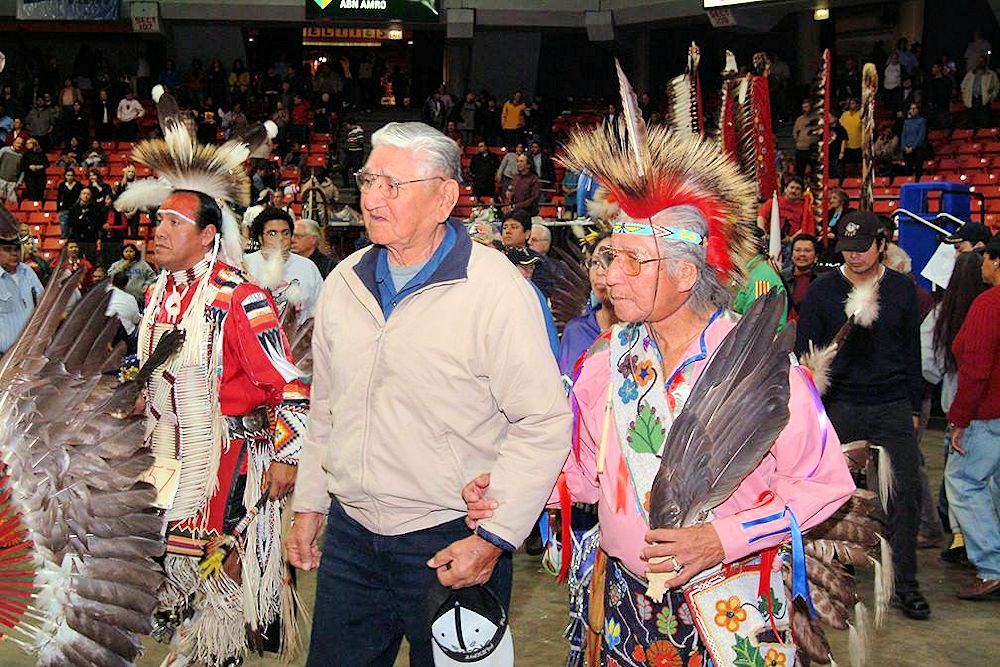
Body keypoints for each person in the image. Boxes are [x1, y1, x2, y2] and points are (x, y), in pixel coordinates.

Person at [470, 120, 853, 666]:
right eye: (608, 258)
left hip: (729, 612)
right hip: (622, 609)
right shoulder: (605, 363)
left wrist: (723, 538)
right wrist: (508, 484)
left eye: (633, 261)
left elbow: (826, 485)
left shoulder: (758, 369)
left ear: (686, 274)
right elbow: (581, 477)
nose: (609, 279)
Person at [286, 121, 570, 666]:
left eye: (393, 185)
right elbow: (327, 408)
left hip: (450, 537)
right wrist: (310, 505)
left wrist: (494, 538)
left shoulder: (496, 291)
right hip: (352, 535)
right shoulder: (345, 282)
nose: (371, 198)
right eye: (369, 181)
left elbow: (543, 421)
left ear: (444, 197)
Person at [112, 105, 310, 665]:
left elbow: (290, 386)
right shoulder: (157, 297)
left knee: (217, 590)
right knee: (175, 591)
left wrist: (286, 459)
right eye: (158, 220)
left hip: (229, 462)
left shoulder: (239, 297)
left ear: (207, 236)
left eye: (174, 222)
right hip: (166, 460)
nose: (159, 229)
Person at [795, 210, 930, 619]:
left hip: (890, 403)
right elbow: (805, 353)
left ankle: (906, 583)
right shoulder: (822, 291)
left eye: (862, 248)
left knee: (905, 492)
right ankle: (832, 580)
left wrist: (911, 406)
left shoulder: (903, 291)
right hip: (839, 405)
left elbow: (911, 352)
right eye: (847, 250)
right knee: (831, 497)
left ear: (882, 244)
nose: (854, 257)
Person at [921, 252, 988, 567]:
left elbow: (928, 365)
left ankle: (980, 553)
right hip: (987, 413)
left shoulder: (945, 315)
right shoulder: (988, 307)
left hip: (965, 413)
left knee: (962, 482)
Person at [945, 234, 1000, 600]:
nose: (979, 265)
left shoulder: (988, 305)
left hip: (988, 414)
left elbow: (977, 369)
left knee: (964, 482)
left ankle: (992, 566)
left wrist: (959, 419)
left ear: (996, 262)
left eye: (983, 258)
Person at [243, 207, 324, 325]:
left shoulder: (308, 267)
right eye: (272, 233)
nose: (280, 239)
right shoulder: (245, 265)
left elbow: (319, 310)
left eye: (285, 233)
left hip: (297, 339)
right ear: (260, 238)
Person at [0, 208, 44, 355]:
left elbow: (43, 306)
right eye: (7, 249)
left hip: (30, 355)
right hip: (3, 357)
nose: (14, 253)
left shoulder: (28, 272)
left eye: (17, 249)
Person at [505, 246, 559, 356]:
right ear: (511, 266)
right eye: (524, 267)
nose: (530, 271)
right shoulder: (524, 287)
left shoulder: (529, 287)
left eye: (532, 266)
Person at [733, 225, 788, 327]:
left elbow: (756, 323)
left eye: (736, 243)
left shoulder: (762, 278)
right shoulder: (750, 272)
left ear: (751, 246)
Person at [755, 176, 814, 243]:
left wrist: (791, 239)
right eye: (791, 187)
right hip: (770, 239)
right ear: (786, 189)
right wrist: (762, 231)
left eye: (798, 189)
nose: (794, 191)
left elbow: (805, 226)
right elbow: (761, 216)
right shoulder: (774, 201)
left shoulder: (805, 207)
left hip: (792, 241)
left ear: (801, 192)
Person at [782, 233, 820, 318]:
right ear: (791, 255)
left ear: (816, 256)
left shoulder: (822, 281)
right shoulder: (780, 278)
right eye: (797, 250)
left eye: (807, 250)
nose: (802, 254)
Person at [961, 56, 999, 129]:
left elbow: (996, 87)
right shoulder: (970, 74)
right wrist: (965, 97)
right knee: (971, 123)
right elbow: (963, 86)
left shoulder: (991, 74)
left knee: (984, 122)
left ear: (985, 62)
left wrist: (991, 97)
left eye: (982, 61)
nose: (980, 63)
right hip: (972, 100)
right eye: (979, 61)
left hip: (983, 100)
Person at [66, 187, 102, 262]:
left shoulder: (95, 208)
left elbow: (97, 223)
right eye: (84, 193)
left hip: (90, 239)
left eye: (88, 194)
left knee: (91, 260)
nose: (86, 196)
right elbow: (70, 223)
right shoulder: (73, 208)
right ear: (80, 195)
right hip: (77, 238)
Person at [901, 102, 927, 180]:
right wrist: (904, 147)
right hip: (907, 148)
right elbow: (903, 135)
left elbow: (921, 136)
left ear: (917, 110)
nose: (912, 110)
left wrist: (913, 147)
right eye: (911, 109)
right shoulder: (906, 122)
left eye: (914, 109)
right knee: (907, 169)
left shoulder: (922, 121)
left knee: (918, 168)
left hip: (917, 149)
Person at [793, 98, 818, 178]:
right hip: (800, 148)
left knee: (815, 170)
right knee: (800, 170)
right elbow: (795, 132)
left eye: (807, 107)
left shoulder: (817, 118)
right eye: (803, 107)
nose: (805, 109)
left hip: (813, 148)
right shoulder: (799, 119)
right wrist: (798, 141)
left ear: (811, 107)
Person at [19, 138, 47, 202]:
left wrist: (40, 166)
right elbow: (22, 166)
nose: (27, 145)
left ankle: (39, 209)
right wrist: (29, 166)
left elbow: (46, 164)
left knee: (40, 194)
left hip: (40, 177)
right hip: (29, 177)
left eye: (29, 143)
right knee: (32, 194)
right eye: (26, 143)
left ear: (34, 144)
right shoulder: (25, 154)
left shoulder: (41, 153)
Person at [840, 98, 863, 173]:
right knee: (847, 167)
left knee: (859, 167)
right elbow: (840, 126)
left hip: (858, 145)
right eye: (850, 103)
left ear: (857, 105)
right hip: (846, 145)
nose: (851, 105)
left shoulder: (861, 115)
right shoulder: (844, 114)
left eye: (853, 103)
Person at [56, 167, 81, 238]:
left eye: (71, 175)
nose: (70, 177)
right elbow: (58, 198)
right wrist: (58, 209)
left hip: (75, 210)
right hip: (64, 210)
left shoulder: (78, 185)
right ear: (65, 176)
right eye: (68, 175)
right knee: (64, 230)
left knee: (72, 231)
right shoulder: (62, 185)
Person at [0, 136, 22, 205]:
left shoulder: (20, 156)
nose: (19, 145)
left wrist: (18, 182)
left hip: (12, 182)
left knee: (12, 203)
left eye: (21, 144)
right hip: (1, 179)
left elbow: (21, 171)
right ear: (13, 142)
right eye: (17, 143)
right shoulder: (4, 150)